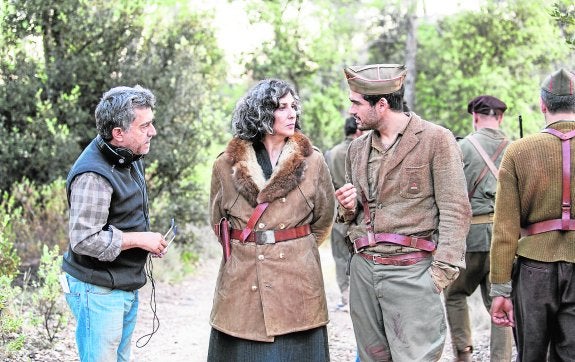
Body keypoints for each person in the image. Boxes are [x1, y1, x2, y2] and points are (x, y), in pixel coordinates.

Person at [335, 63, 471, 361]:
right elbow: (354, 215)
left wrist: (439, 275)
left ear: (381, 105)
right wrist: (347, 207)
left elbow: (456, 209)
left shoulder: (436, 140)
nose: (351, 111)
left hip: (412, 271)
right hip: (365, 270)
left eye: (356, 103)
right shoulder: (357, 149)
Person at [207, 78, 335, 361]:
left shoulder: (313, 162)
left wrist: (293, 248)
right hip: (243, 281)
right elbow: (218, 221)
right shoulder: (224, 165)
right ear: (261, 114)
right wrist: (252, 246)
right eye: (281, 107)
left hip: (297, 283)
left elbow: (325, 218)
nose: (292, 114)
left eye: (293, 107)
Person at [62, 85, 168, 361]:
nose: (152, 131)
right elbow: (84, 239)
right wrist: (138, 240)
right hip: (97, 289)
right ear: (118, 133)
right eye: (144, 125)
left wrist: (148, 241)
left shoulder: (129, 155)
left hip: (121, 285)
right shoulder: (93, 175)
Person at [490, 68, 575, 361]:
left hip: (533, 271)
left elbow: (504, 229)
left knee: (531, 355)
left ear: (543, 104)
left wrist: (500, 288)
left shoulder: (518, 151)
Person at [444, 95, 513, 362]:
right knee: (500, 302)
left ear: (475, 117)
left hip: (470, 238)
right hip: (504, 241)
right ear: (501, 118)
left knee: (455, 294)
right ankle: (501, 358)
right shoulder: (515, 148)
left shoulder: (462, 148)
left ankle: (463, 353)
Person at [325, 116, 363, 312]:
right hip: (361, 212)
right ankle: (359, 297)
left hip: (338, 212)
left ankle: (345, 295)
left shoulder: (331, 154)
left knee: (340, 256)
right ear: (357, 131)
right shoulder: (362, 150)